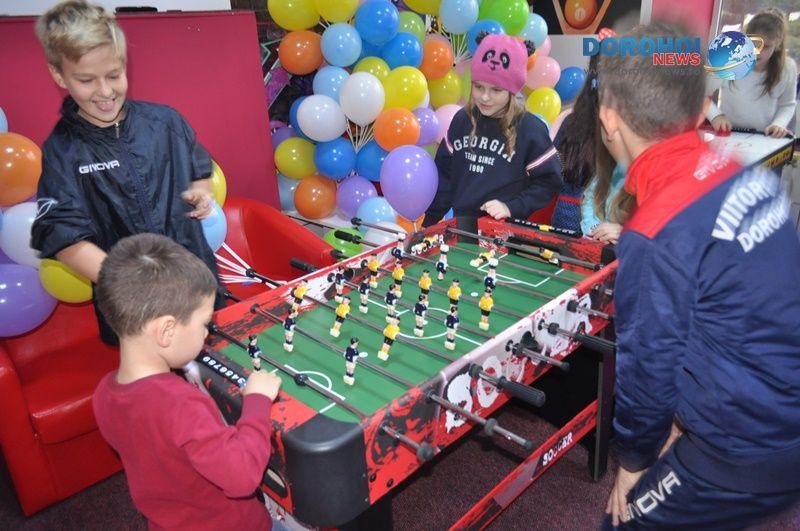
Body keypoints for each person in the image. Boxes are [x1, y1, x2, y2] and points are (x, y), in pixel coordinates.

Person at [597, 22, 800, 529]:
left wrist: (633, 462)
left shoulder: (653, 232)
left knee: (623, 522)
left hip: (749, 445)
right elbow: (739, 305)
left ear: (608, 119)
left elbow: (647, 373)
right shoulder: (742, 175)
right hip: (776, 411)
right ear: (702, 105)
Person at [31, 1, 219, 345]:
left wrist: (201, 192)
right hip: (134, 309)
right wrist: (131, 285)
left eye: (114, 75)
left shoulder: (165, 122)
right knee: (156, 377)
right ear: (59, 75)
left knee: (214, 368)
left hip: (197, 287)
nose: (105, 92)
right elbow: (64, 238)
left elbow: (200, 168)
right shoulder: (62, 151)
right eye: (86, 80)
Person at [92, 233, 282, 529]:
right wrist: (256, 403)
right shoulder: (180, 404)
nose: (207, 333)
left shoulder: (104, 393)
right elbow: (242, 477)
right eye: (204, 323)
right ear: (166, 331)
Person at [424, 33, 562, 225]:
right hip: (462, 228)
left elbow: (549, 182)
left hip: (505, 232)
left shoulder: (529, 129)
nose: (485, 97)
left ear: (512, 91)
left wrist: (511, 207)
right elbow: (445, 178)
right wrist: (428, 223)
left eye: (496, 90)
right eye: (478, 87)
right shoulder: (462, 120)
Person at [706, 9, 797, 138]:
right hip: (728, 134)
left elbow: (787, 105)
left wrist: (778, 124)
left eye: (766, 46)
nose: (757, 52)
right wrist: (715, 115)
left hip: (764, 137)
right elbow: (699, 95)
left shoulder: (788, 68)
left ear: (778, 44)